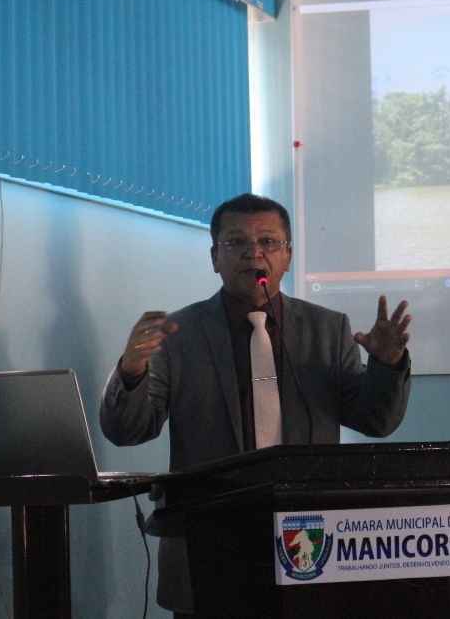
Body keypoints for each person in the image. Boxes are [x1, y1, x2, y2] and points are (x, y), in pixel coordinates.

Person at [100, 193, 411, 616]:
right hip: (210, 540)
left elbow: (375, 421)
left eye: (268, 241)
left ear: (288, 256)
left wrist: (387, 366)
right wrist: (132, 370)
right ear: (214, 257)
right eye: (236, 243)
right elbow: (128, 430)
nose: (254, 253)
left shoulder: (327, 328)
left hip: (309, 538)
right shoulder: (180, 332)